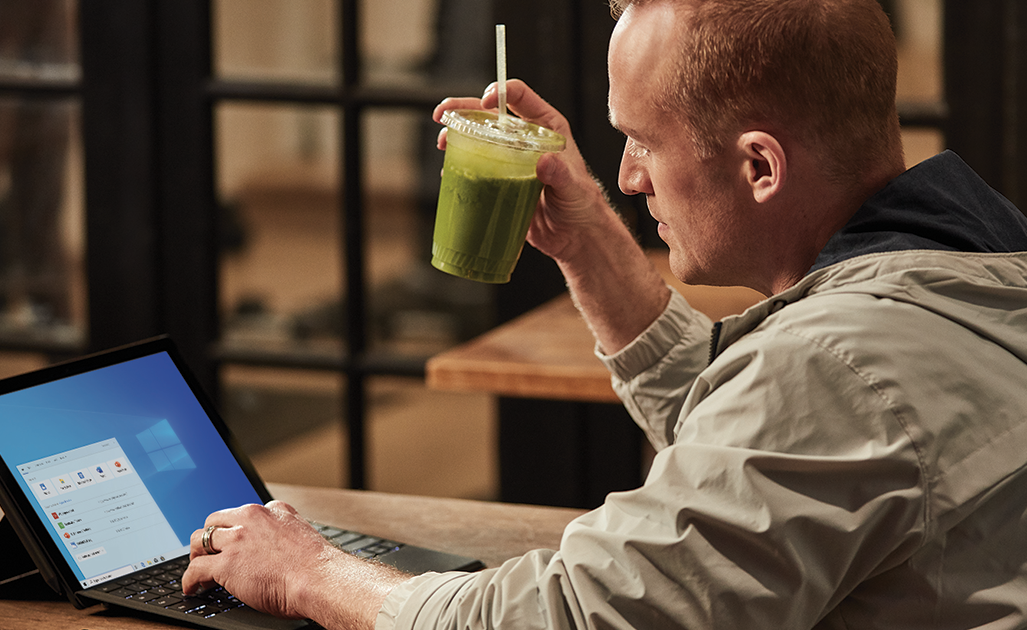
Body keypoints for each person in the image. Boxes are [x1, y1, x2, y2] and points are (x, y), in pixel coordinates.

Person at [183, 0, 1027, 627]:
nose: (628, 177)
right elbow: (758, 436)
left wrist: (313, 574)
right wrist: (587, 237)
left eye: (645, 142)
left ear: (760, 167)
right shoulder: (976, 265)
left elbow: (579, 617)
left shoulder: (834, 369)